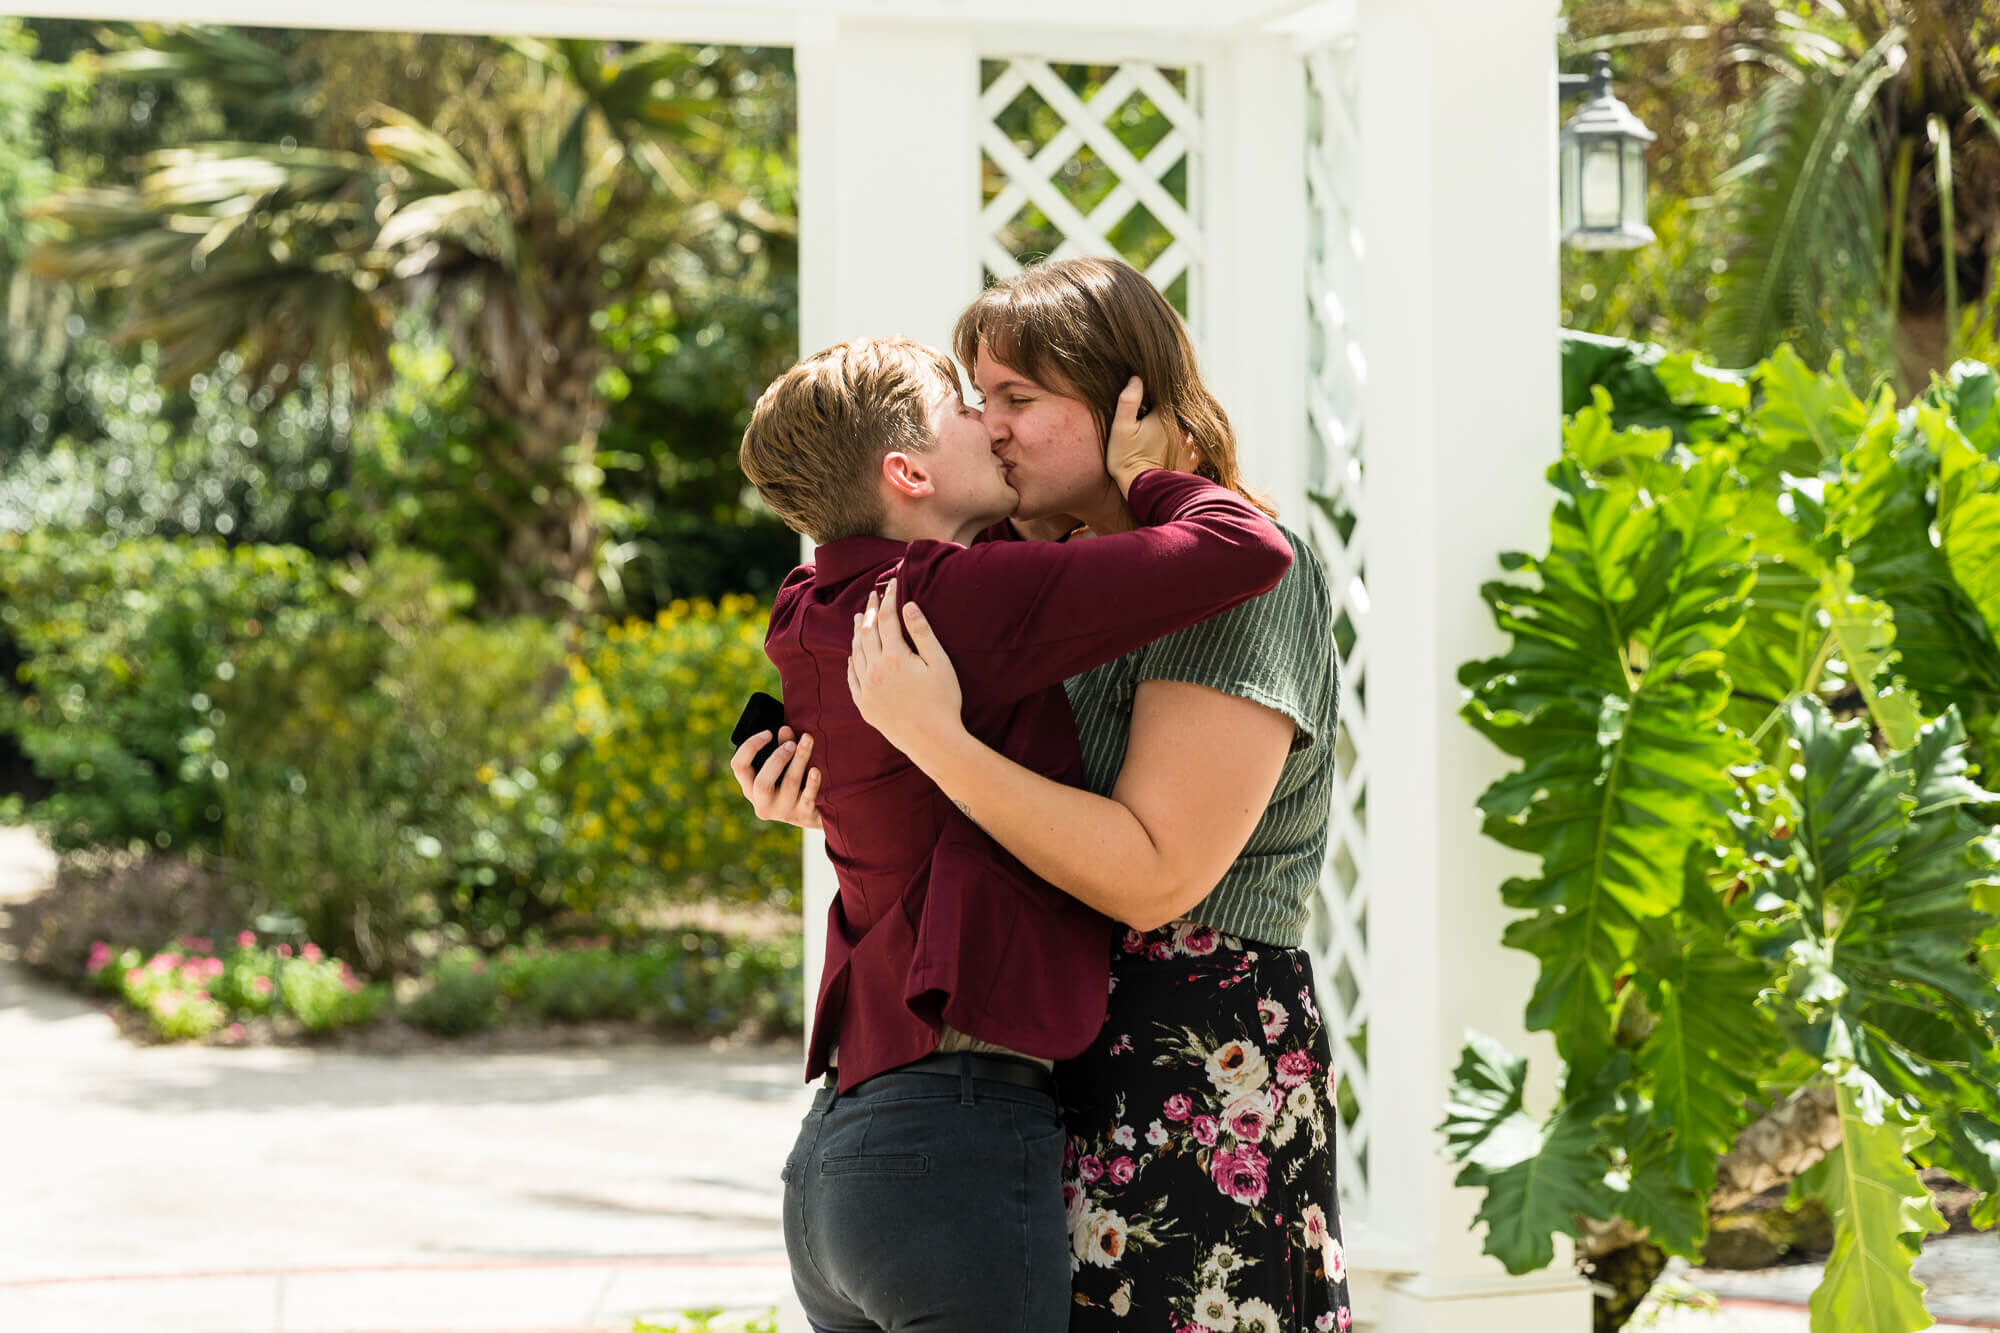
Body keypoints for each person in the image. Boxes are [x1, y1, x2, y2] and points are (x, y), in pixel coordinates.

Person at [738, 256, 1353, 1332]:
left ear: (1129, 406)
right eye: (976, 400)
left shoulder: (1245, 582)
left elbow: (1155, 876)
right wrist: (826, 784)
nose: (991, 425)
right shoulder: (1020, 574)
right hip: (1022, 1095)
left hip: (1191, 1071)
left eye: (1017, 399)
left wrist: (930, 742)